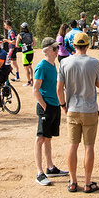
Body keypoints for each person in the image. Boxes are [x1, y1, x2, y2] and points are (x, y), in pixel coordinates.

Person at [57, 32, 99, 193]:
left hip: (72, 109)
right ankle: (88, 183)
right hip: (89, 109)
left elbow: (59, 89)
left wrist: (63, 105)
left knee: (72, 146)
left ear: (73, 46)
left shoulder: (64, 63)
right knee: (89, 147)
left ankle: (73, 181)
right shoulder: (93, 62)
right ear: (88, 45)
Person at [33, 37, 69, 186]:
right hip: (46, 106)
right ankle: (39, 173)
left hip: (54, 105)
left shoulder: (53, 64)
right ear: (46, 51)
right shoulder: (41, 66)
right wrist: (44, 106)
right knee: (40, 138)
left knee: (48, 138)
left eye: (57, 48)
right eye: (54, 49)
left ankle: (50, 167)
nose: (57, 51)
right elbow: (35, 90)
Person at [16, 22, 36, 87]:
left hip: (25, 53)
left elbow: (17, 45)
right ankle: (32, 80)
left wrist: (22, 46)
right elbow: (34, 43)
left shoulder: (20, 35)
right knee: (30, 66)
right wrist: (29, 45)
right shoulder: (30, 34)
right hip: (31, 52)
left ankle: (28, 82)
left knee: (26, 67)